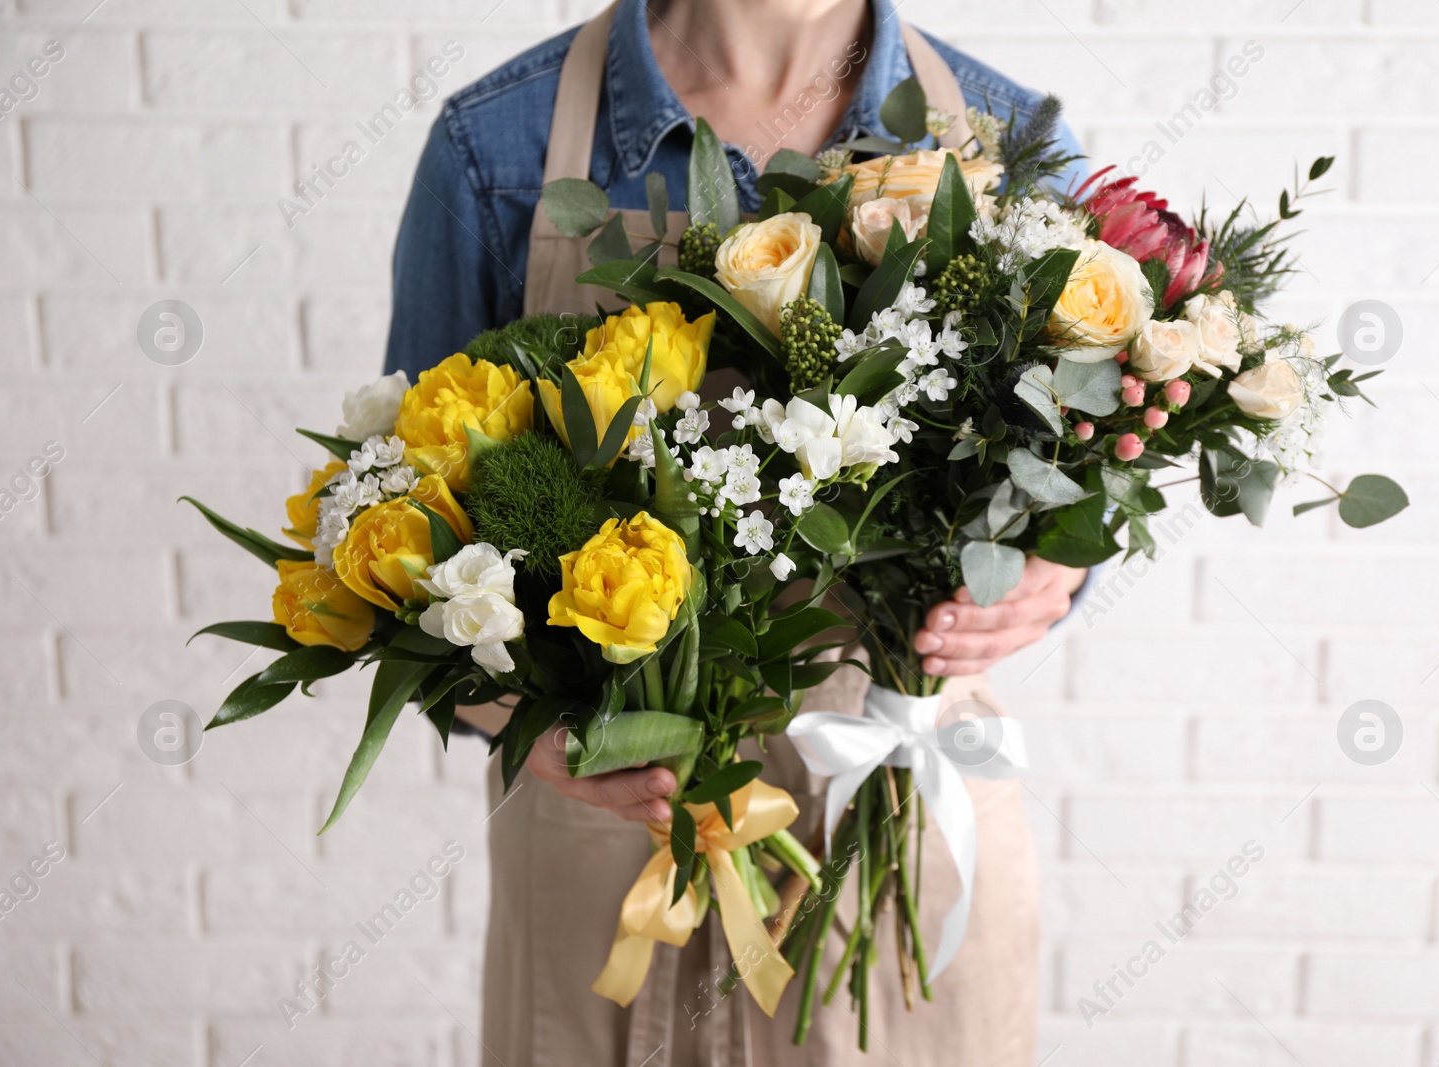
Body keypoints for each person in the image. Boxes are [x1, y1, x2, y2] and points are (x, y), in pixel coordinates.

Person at [385, 1, 1088, 1063]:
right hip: (613, 827)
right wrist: (527, 721)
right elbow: (402, 555)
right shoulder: (500, 147)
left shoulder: (1010, 143)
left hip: (888, 795)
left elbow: (1079, 474)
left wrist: (1049, 573)